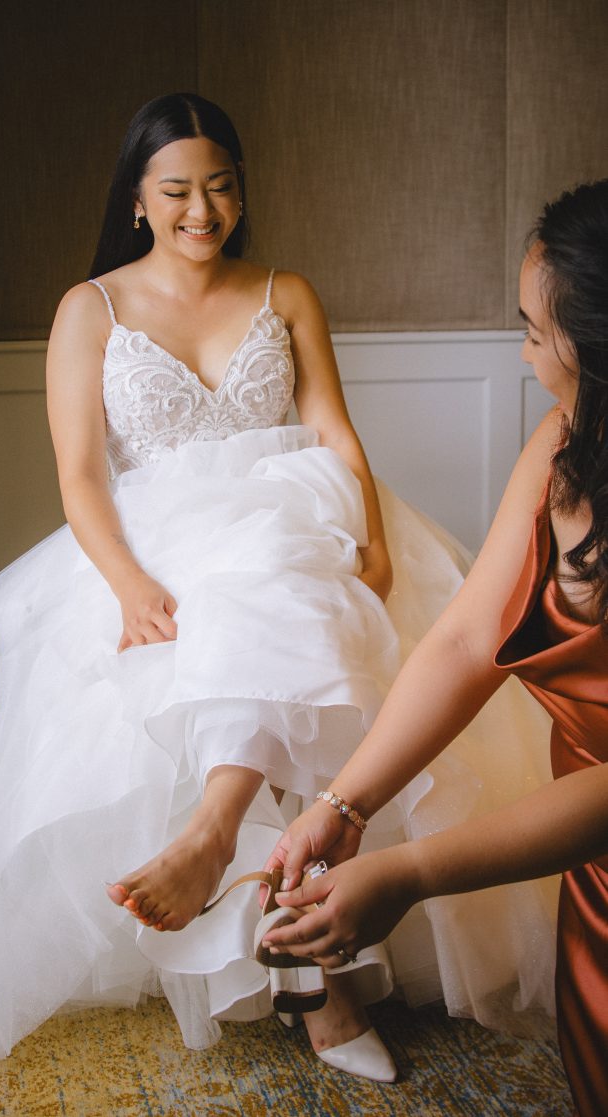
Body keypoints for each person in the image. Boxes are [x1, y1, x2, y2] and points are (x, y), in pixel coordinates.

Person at [0, 93, 555, 1081]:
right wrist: (126, 584)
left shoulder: (284, 291)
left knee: (297, 593)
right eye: (176, 190)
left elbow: (334, 433)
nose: (201, 209)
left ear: (240, 191)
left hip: (302, 509)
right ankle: (314, 977)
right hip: (158, 544)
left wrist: (374, 545)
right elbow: (81, 476)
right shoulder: (90, 310)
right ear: (136, 199)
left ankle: (227, 852)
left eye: (219, 187)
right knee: (261, 613)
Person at [261, 180, 608, 1116]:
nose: (524, 351)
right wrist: (345, 802)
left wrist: (410, 873)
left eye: (536, 331)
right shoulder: (563, 443)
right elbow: (464, 637)